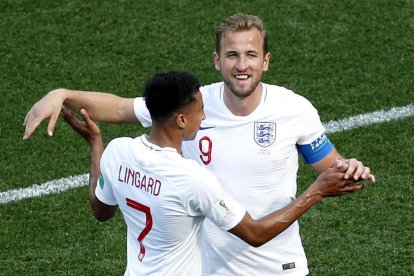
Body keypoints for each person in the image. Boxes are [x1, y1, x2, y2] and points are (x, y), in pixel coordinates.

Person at [24, 14, 375, 275]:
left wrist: (349, 169)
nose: (242, 65)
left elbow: (331, 168)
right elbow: (118, 107)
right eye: (232, 55)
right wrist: (63, 94)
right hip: (209, 268)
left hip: (277, 266)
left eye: (251, 55)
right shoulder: (190, 104)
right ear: (217, 60)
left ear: (265, 61)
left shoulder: (294, 110)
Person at [62, 70, 367, 275]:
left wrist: (95, 142)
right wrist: (317, 191)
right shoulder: (193, 180)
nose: (205, 115)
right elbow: (256, 234)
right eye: (200, 110)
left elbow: (100, 211)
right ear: (181, 120)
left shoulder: (118, 152)